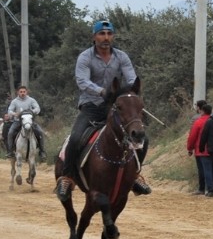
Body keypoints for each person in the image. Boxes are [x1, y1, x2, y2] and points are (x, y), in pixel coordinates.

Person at [55, 20, 151, 199]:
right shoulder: (85, 57)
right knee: (76, 138)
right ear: (94, 37)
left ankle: (135, 175)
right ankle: (67, 177)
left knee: (142, 138)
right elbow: (82, 81)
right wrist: (102, 91)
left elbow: (131, 77)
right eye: (101, 34)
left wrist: (131, 93)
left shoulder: (121, 56)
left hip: (116, 107)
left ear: (113, 36)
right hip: (91, 106)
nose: (106, 38)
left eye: (109, 34)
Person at [5, 85, 47, 160]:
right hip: (18, 121)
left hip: (30, 121)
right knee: (10, 133)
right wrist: (14, 114)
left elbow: (37, 108)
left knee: (40, 132)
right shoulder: (14, 101)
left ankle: (42, 151)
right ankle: (10, 151)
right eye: (21, 92)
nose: (22, 93)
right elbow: (9, 110)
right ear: (18, 92)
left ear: (26, 92)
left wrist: (32, 111)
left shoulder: (31, 100)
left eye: (24, 92)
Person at [187, 103, 213, 196]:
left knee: (204, 170)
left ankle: (206, 189)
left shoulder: (198, 122)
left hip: (201, 150)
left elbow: (192, 136)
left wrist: (190, 148)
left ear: (202, 111)